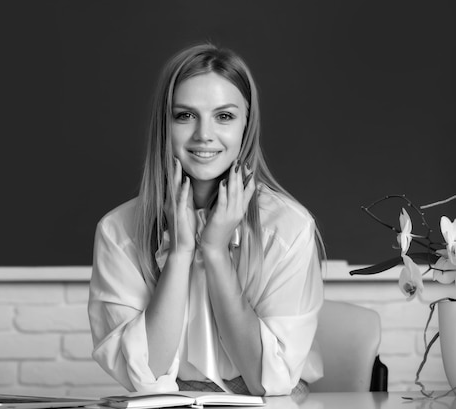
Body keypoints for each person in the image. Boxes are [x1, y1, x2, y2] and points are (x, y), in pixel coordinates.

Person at [87, 43, 325, 397]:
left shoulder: (288, 229)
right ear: (164, 125)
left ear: (247, 125)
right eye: (185, 115)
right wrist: (182, 251)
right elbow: (146, 377)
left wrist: (214, 251)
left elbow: (265, 382)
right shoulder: (118, 232)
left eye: (224, 116)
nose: (203, 135)